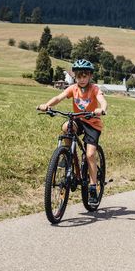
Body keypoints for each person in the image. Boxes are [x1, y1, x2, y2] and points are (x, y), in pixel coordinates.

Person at [37, 59, 107, 204]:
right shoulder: (73, 88)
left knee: (90, 154)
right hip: (79, 120)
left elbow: (102, 100)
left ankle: (93, 187)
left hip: (92, 123)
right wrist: (47, 105)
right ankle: (68, 156)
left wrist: (101, 109)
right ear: (75, 76)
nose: (82, 79)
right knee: (65, 127)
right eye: (79, 76)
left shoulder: (94, 89)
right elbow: (59, 97)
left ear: (90, 76)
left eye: (85, 76)